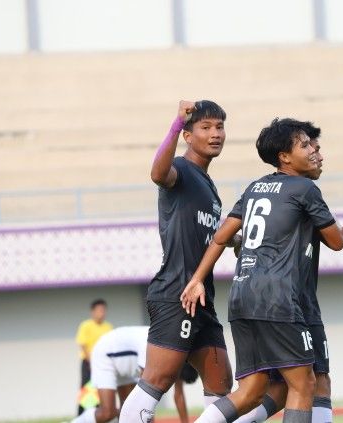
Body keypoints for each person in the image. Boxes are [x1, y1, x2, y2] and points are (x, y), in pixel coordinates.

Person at [181, 118, 343, 423]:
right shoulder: (304, 189)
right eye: (305, 145)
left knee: (254, 388)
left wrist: (199, 277)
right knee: (306, 383)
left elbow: (221, 235)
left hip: (243, 295)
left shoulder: (255, 187)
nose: (314, 151)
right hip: (280, 297)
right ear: (285, 156)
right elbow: (338, 241)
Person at [118, 100, 233, 423]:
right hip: (176, 295)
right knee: (155, 383)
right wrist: (173, 123)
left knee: (222, 389)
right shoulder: (180, 170)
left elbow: (212, 237)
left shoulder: (209, 187)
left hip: (203, 301)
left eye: (220, 127)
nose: (215, 134)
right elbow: (157, 172)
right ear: (187, 135)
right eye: (206, 127)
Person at [71, 326, 200, 423]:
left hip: (127, 364)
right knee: (108, 413)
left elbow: (179, 395)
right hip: (106, 354)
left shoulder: (177, 355)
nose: (176, 382)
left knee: (128, 414)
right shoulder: (154, 348)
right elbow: (146, 396)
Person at [75, 299, 113, 415]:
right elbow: (83, 345)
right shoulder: (86, 325)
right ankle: (80, 417)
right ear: (93, 312)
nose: (102, 313)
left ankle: (99, 415)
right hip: (88, 364)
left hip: (103, 365)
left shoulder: (108, 327)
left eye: (103, 310)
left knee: (101, 390)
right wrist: (91, 363)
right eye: (99, 310)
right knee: (86, 390)